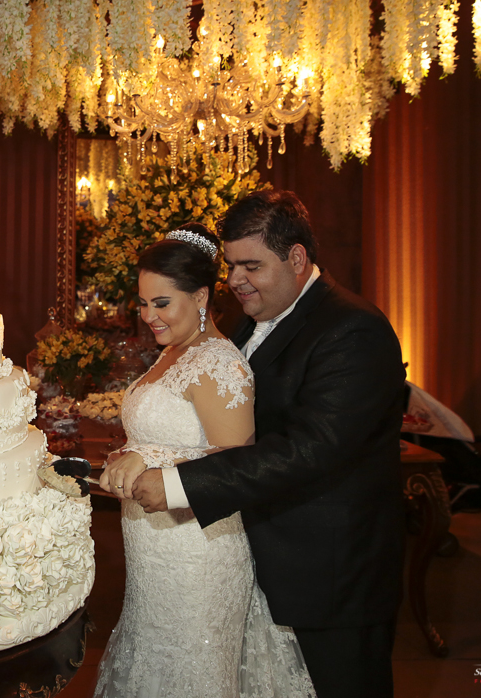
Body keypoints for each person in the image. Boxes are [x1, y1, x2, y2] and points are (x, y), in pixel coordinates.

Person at [130, 191, 407, 698]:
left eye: (251, 265)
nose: (235, 280)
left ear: (296, 258)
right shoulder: (244, 321)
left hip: (329, 575)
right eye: (231, 265)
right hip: (254, 561)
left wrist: (178, 482)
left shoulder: (353, 330)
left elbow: (311, 449)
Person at [93, 222, 315, 697]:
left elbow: (237, 463)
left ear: (200, 297)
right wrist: (129, 454)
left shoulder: (218, 360)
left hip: (199, 553)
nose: (149, 315)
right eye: (144, 303)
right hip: (154, 552)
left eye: (162, 303)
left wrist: (149, 456)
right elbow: (167, 440)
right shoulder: (171, 352)